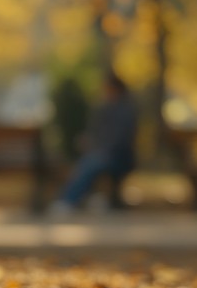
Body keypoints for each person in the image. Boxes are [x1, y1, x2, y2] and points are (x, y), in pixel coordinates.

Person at [52, 72, 138, 213]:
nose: (104, 92)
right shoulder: (103, 109)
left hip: (119, 156)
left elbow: (120, 138)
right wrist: (88, 140)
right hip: (100, 153)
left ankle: (68, 201)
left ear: (116, 89)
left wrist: (101, 148)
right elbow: (95, 133)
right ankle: (91, 198)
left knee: (91, 163)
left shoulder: (126, 110)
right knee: (87, 162)